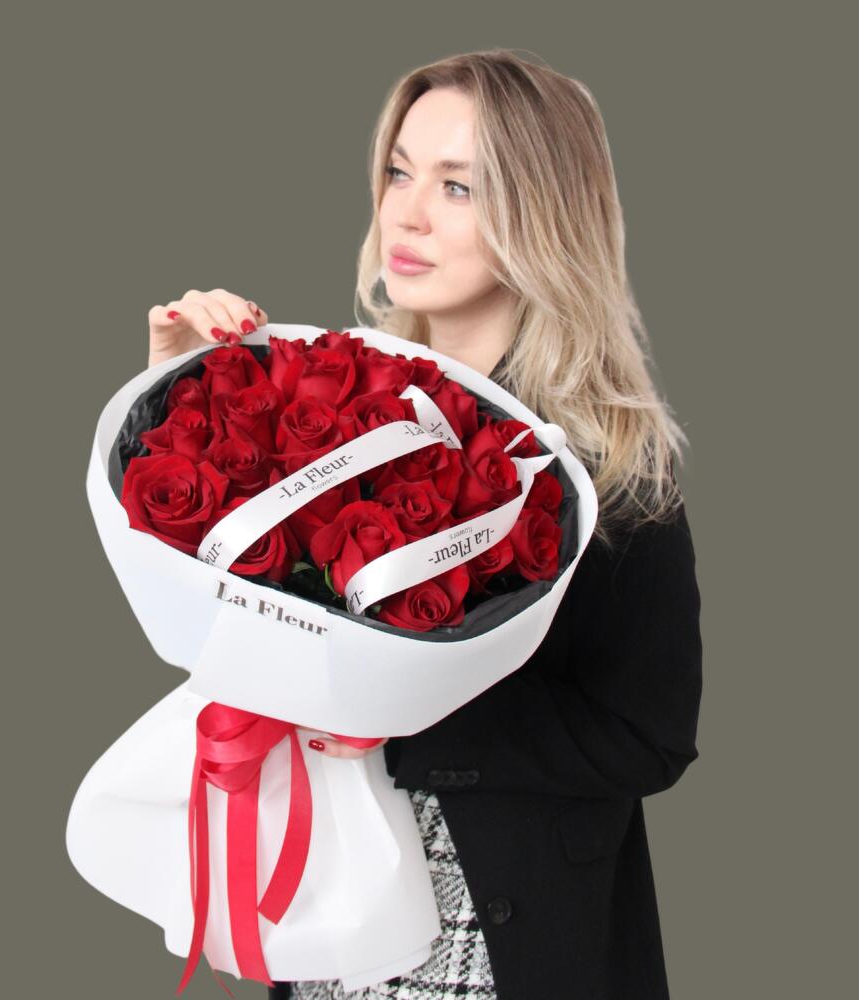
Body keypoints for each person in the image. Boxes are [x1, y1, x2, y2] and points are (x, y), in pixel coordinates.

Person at [147, 48, 702, 1000]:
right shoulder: (334, 405)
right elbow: (224, 614)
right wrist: (185, 394)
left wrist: (406, 725)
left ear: (542, 215)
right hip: (333, 920)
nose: (405, 213)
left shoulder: (612, 463)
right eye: (400, 172)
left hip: (503, 939)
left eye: (457, 187)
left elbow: (649, 736)